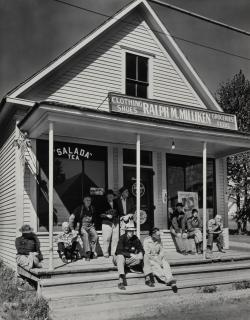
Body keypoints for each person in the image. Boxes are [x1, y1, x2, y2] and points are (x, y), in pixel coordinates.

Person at [143, 227, 178, 293]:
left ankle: (170, 279)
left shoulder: (159, 240)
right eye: (158, 235)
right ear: (153, 235)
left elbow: (162, 251)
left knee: (165, 263)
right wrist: (157, 260)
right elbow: (147, 254)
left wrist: (159, 258)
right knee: (156, 267)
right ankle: (167, 281)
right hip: (151, 259)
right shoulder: (146, 241)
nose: (159, 236)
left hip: (158, 257)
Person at [113, 226, 144, 290]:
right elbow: (119, 251)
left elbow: (141, 248)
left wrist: (140, 253)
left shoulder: (135, 238)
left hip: (128, 259)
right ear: (126, 231)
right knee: (121, 257)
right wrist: (130, 254)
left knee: (140, 258)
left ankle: (128, 267)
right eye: (130, 231)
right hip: (118, 258)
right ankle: (121, 281)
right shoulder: (122, 238)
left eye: (133, 231)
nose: (131, 233)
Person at [69, 194, 98, 261]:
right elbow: (71, 218)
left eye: (89, 200)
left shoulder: (92, 208)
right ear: (83, 201)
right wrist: (72, 229)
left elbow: (94, 218)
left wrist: (94, 225)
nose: (88, 201)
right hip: (82, 226)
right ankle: (87, 254)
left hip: (90, 226)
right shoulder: (79, 208)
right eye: (87, 200)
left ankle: (92, 252)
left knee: (95, 236)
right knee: (85, 235)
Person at [100, 189, 119, 258]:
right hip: (106, 223)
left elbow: (118, 212)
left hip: (115, 223)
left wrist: (117, 219)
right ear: (107, 196)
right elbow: (100, 214)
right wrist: (106, 215)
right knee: (106, 238)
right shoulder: (102, 203)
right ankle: (105, 253)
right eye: (109, 195)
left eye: (112, 195)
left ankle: (113, 253)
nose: (111, 196)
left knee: (115, 238)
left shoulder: (116, 203)